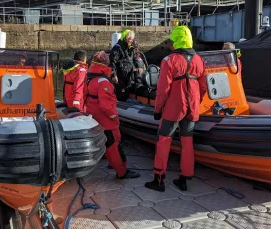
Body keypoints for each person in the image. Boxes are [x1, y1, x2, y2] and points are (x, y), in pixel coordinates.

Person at [144, 26, 207, 192]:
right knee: (187, 142)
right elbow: (203, 87)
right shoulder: (199, 60)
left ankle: (158, 179)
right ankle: (184, 178)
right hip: (192, 108)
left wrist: (157, 110)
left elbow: (163, 89)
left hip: (173, 108)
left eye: (172, 41)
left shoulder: (168, 61)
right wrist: (196, 102)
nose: (170, 44)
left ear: (176, 41)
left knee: (163, 140)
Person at [85, 51, 140, 179]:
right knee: (114, 145)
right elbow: (105, 105)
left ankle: (114, 165)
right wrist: (114, 116)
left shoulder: (89, 78)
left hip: (94, 116)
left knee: (108, 144)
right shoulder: (104, 82)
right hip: (106, 119)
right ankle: (122, 171)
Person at [109, 29, 145, 101]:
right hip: (119, 77)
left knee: (127, 92)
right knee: (120, 94)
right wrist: (114, 75)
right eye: (129, 39)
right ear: (125, 38)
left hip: (128, 76)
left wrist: (139, 66)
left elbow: (135, 58)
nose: (131, 40)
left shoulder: (131, 48)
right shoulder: (117, 47)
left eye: (132, 39)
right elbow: (112, 62)